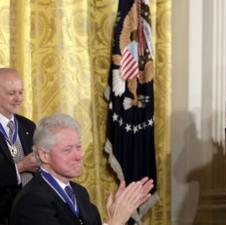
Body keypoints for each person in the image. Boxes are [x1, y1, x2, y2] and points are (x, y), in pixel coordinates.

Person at [9, 113, 153, 225]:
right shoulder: (32, 200)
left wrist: (110, 220)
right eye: (67, 150)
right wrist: (115, 222)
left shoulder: (79, 193)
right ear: (44, 155)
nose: (78, 156)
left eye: (78, 147)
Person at [0, 68, 38, 224]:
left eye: (20, 92)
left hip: (33, 212)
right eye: (11, 93)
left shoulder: (28, 126)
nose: (18, 98)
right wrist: (20, 167)